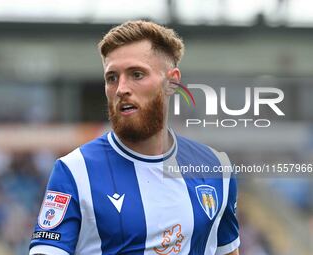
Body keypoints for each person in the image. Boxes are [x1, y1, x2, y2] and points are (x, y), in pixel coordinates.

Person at [29, 20, 240, 255]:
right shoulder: (75, 171)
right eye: (112, 78)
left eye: (136, 74)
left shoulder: (216, 168)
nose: (121, 89)